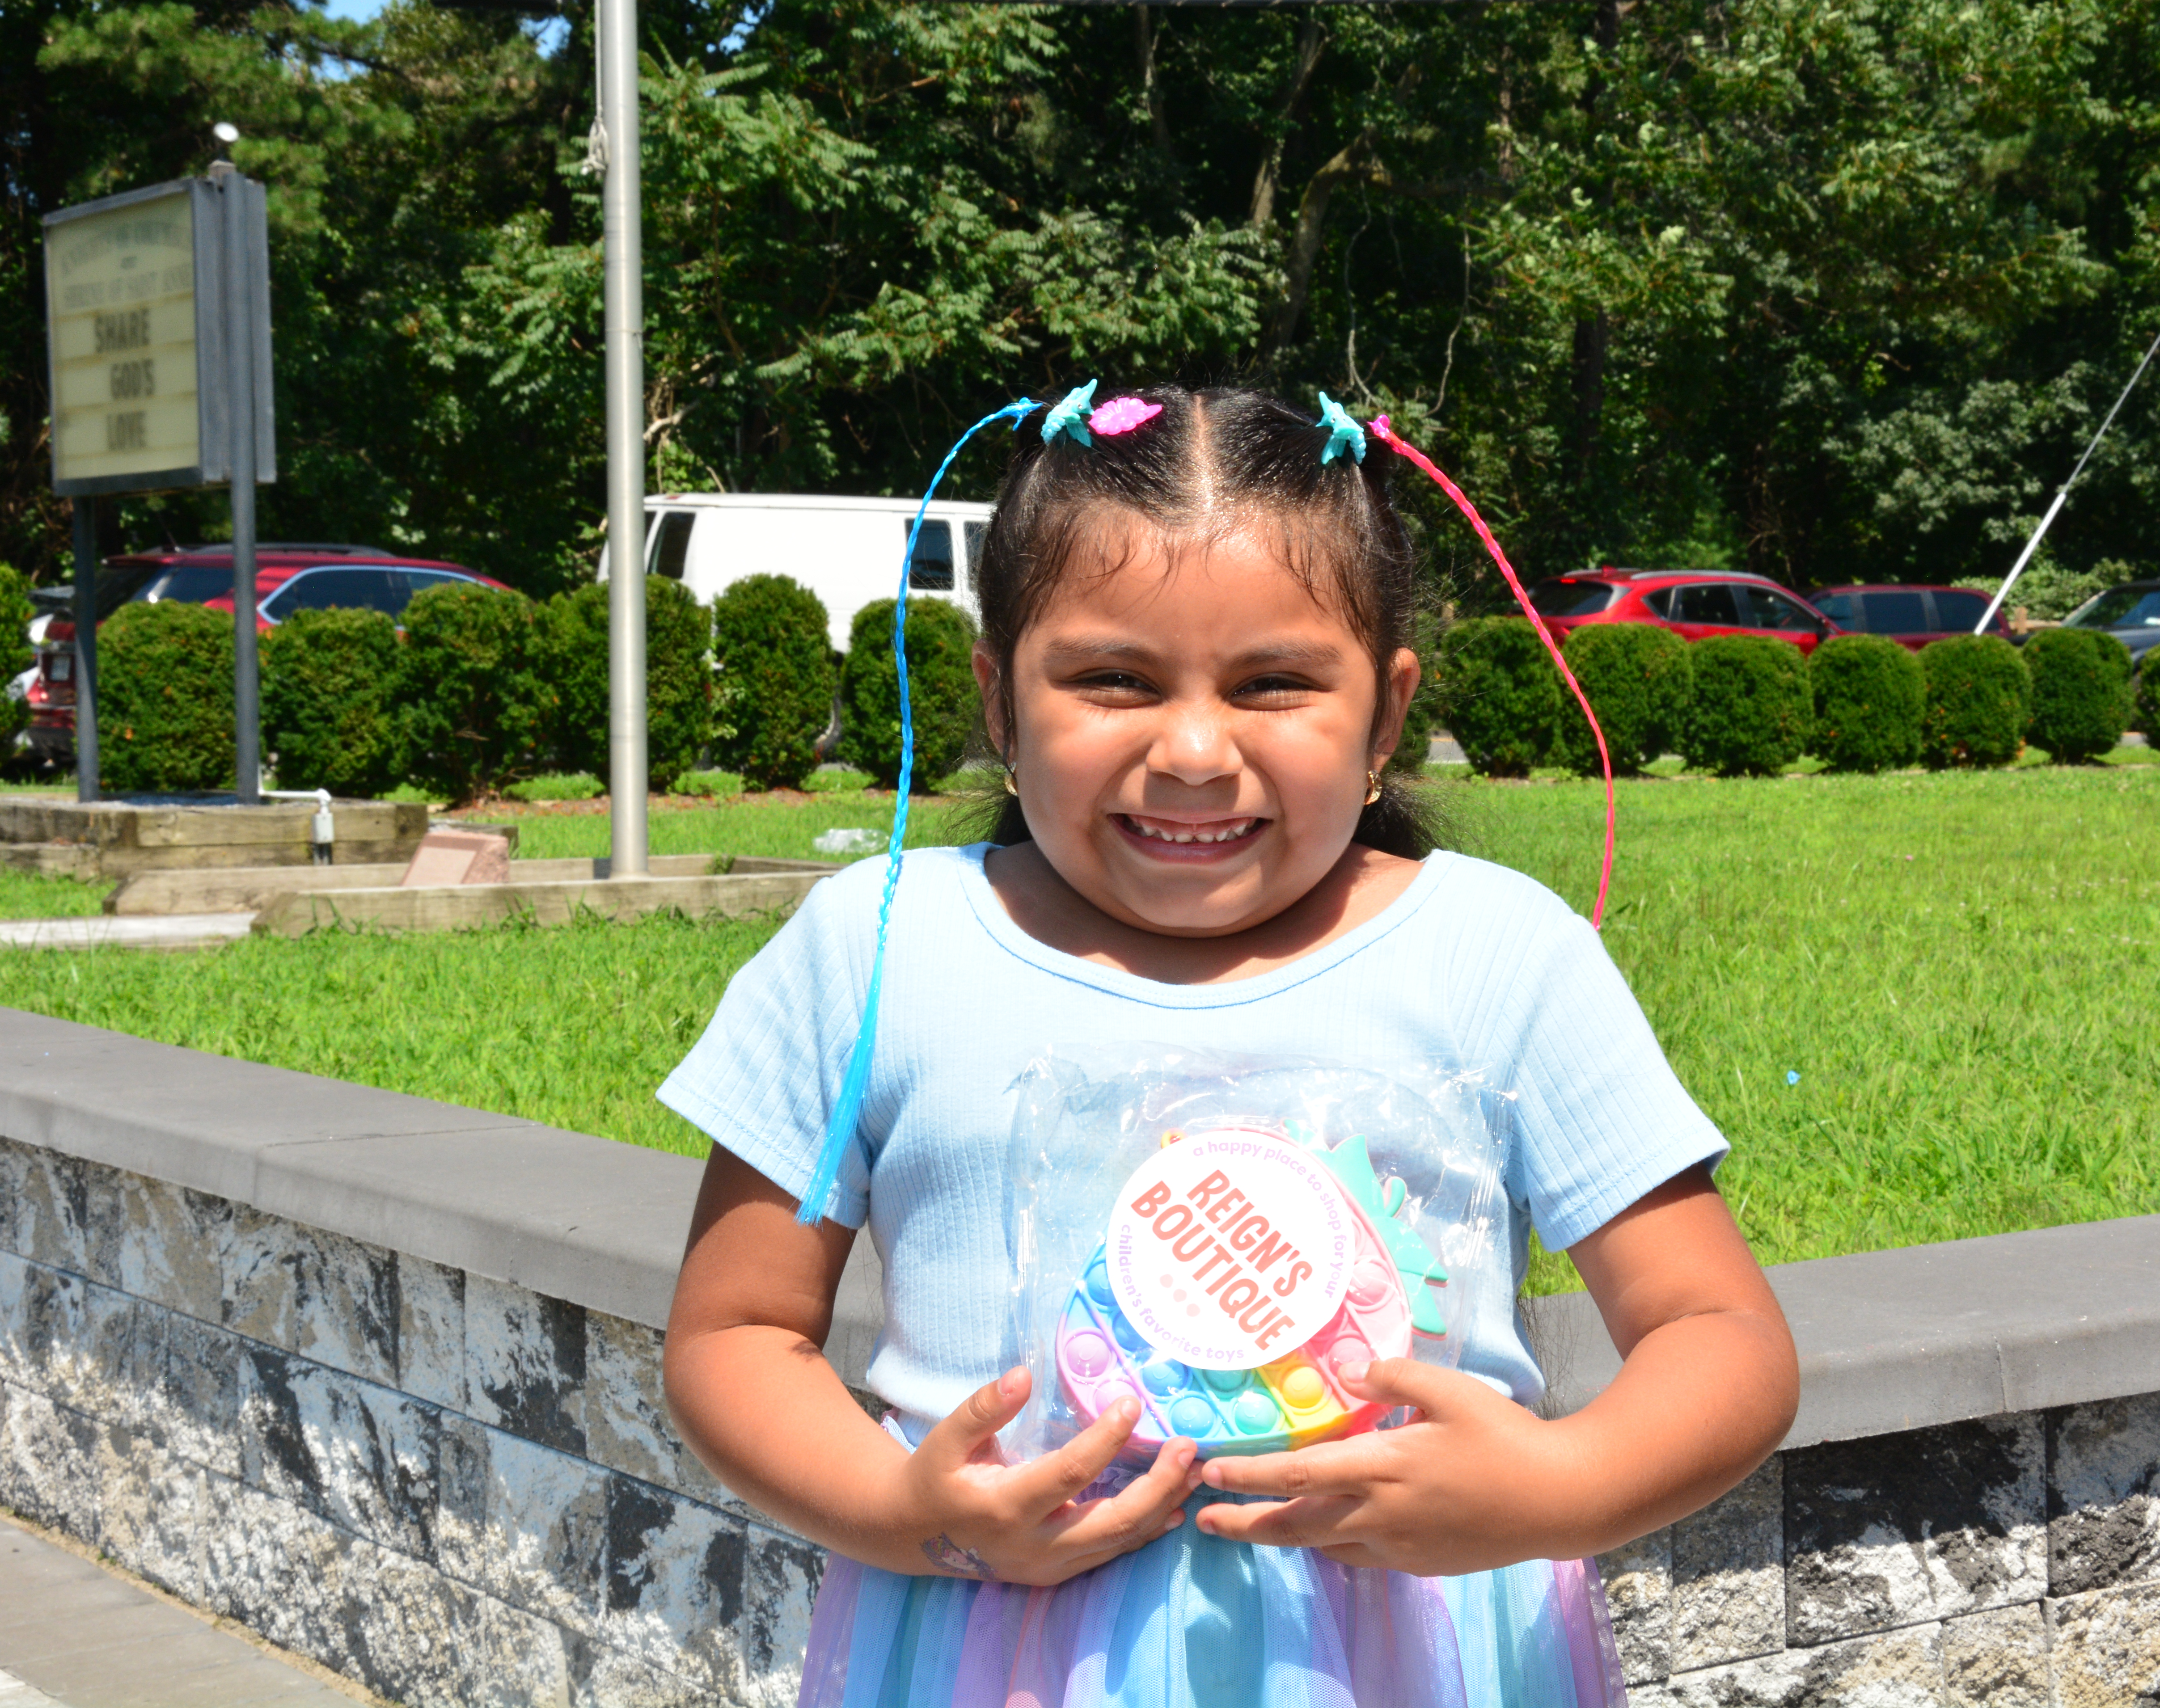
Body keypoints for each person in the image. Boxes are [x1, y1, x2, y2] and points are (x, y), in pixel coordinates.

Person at [658, 384, 1799, 1708]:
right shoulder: (880, 947)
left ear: (1384, 716)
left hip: (1407, 1657)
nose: (1195, 751)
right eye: (1111, 680)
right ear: (997, 702)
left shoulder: (1498, 955)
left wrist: (1553, 1490)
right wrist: (912, 1509)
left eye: (1274, 685)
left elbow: (1720, 1332)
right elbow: (733, 1331)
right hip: (991, 1645)